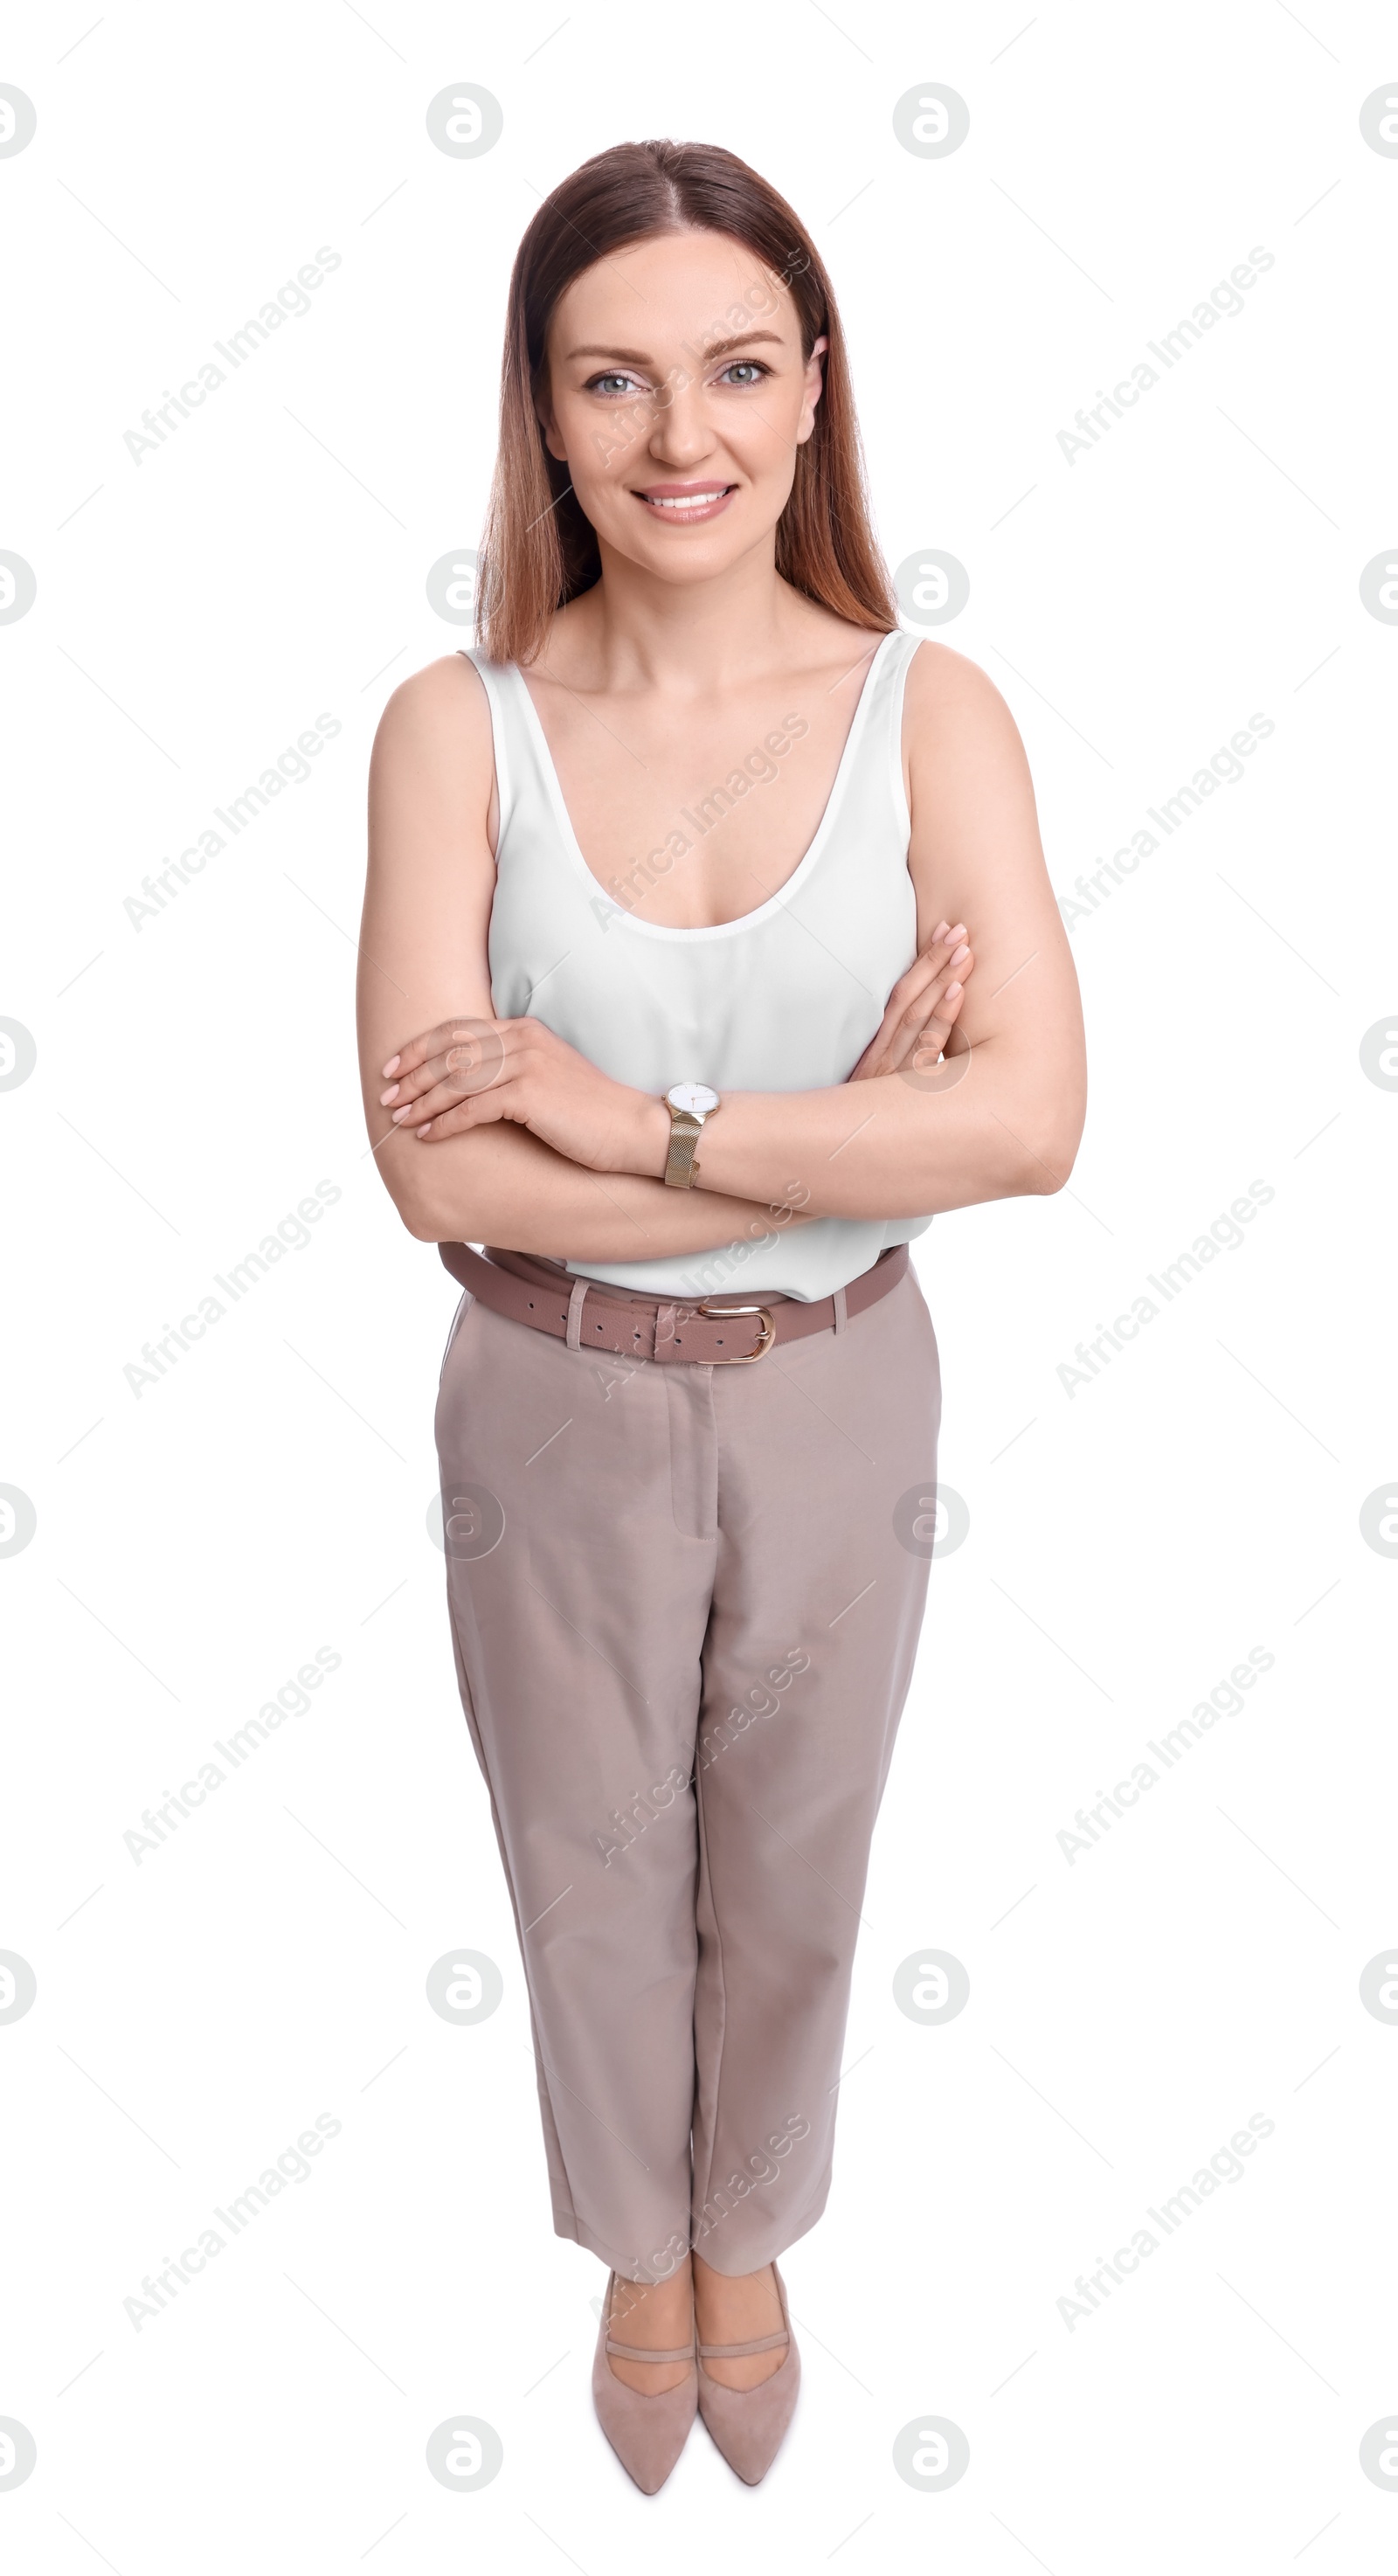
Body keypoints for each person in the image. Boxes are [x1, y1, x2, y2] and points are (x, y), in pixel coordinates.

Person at [356, 136, 1085, 2494]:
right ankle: (635, 2245)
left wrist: (620, 1118)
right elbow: (429, 1171)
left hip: (840, 1387)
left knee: (797, 1845)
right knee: (585, 1859)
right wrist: (822, 1129)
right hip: (544, 1396)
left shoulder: (929, 709)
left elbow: (1033, 1125)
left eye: (740, 369)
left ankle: (745, 2231)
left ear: (814, 392)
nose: (687, 436)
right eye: (619, 381)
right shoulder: (453, 731)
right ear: (546, 414)